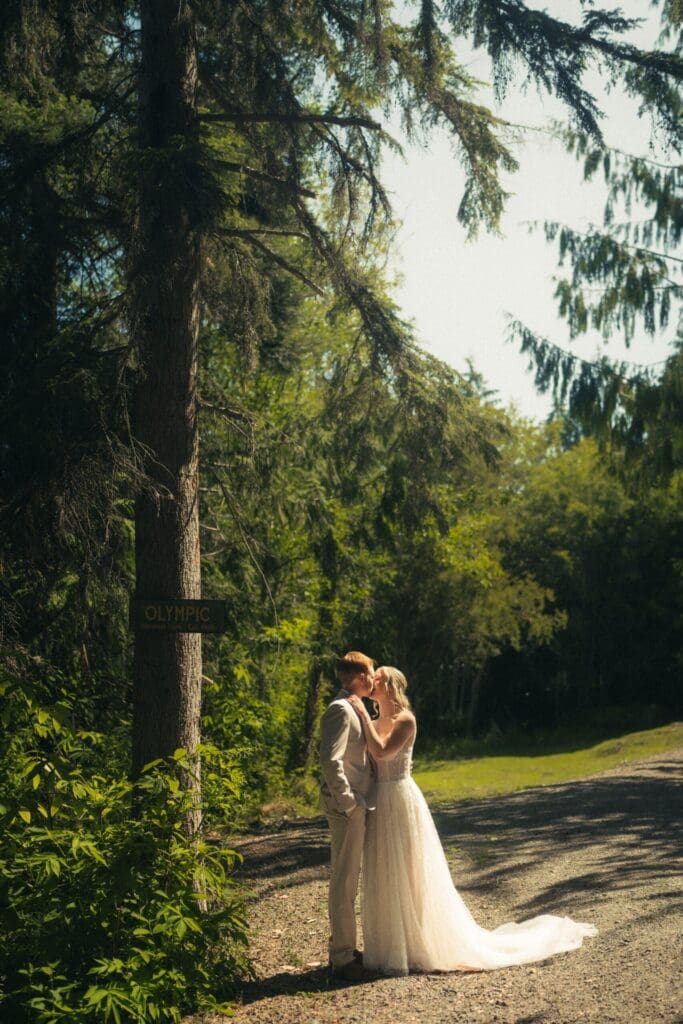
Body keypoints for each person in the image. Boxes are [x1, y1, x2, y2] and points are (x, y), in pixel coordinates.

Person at [347, 667, 598, 976]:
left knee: (409, 871)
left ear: (392, 685)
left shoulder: (406, 720)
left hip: (400, 799)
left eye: (380, 677)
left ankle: (418, 944)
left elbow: (383, 752)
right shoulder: (373, 722)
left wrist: (359, 711)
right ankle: (390, 947)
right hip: (379, 802)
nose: (373, 681)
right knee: (386, 868)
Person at [319, 651, 379, 981]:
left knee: (349, 879)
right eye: (370, 674)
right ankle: (342, 959)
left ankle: (345, 949)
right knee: (344, 882)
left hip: (355, 804)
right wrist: (350, 802)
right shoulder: (340, 710)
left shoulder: (355, 708)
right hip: (347, 808)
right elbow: (330, 761)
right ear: (359, 677)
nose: (373, 679)